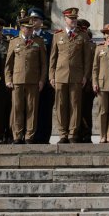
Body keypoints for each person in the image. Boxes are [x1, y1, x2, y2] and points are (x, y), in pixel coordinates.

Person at [49, 7, 92, 144]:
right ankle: (63, 134)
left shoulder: (83, 36)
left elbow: (87, 59)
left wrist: (85, 75)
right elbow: (53, 58)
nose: (73, 21)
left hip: (77, 76)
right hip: (60, 75)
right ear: (65, 19)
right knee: (61, 105)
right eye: (71, 18)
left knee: (75, 105)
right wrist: (51, 75)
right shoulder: (58, 35)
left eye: (75, 18)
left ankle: (73, 133)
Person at [5, 16, 47, 144]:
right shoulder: (14, 42)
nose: (29, 30)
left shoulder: (38, 41)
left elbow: (43, 64)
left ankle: (29, 135)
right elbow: (8, 63)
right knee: (17, 108)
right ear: (22, 28)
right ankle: (17, 135)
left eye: (31, 28)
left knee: (32, 109)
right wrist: (8, 79)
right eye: (27, 28)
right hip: (17, 80)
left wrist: (41, 80)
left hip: (33, 80)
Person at [28, 7, 55, 144]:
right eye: (31, 19)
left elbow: (53, 58)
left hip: (45, 79)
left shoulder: (49, 37)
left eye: (36, 19)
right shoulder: (26, 37)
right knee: (31, 108)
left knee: (45, 108)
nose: (33, 21)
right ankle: (30, 135)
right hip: (30, 78)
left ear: (41, 22)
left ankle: (44, 136)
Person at [76, 18, 96, 143]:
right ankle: (75, 133)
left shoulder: (93, 47)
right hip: (74, 82)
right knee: (74, 109)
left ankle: (86, 133)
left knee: (86, 110)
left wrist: (91, 82)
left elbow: (95, 66)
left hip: (87, 85)